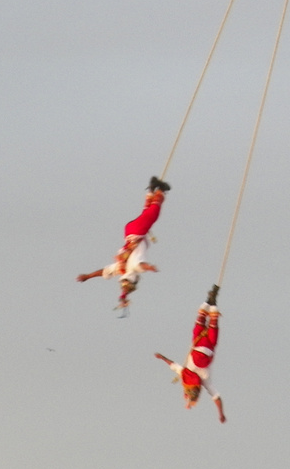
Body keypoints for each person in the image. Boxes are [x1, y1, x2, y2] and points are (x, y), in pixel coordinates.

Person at [76, 176, 170, 310]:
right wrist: (87, 276)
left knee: (153, 214)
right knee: (147, 214)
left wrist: (150, 268)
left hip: (136, 232)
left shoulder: (133, 268)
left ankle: (159, 189)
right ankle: (151, 190)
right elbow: (103, 271)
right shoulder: (119, 269)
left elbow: (141, 265)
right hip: (129, 231)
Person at [155, 286, 226, 422]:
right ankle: (210, 300)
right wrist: (162, 358)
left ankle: (212, 300)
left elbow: (216, 397)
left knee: (213, 321)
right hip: (199, 344)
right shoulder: (186, 374)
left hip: (208, 346)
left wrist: (221, 413)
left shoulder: (203, 380)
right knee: (201, 319)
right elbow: (173, 365)